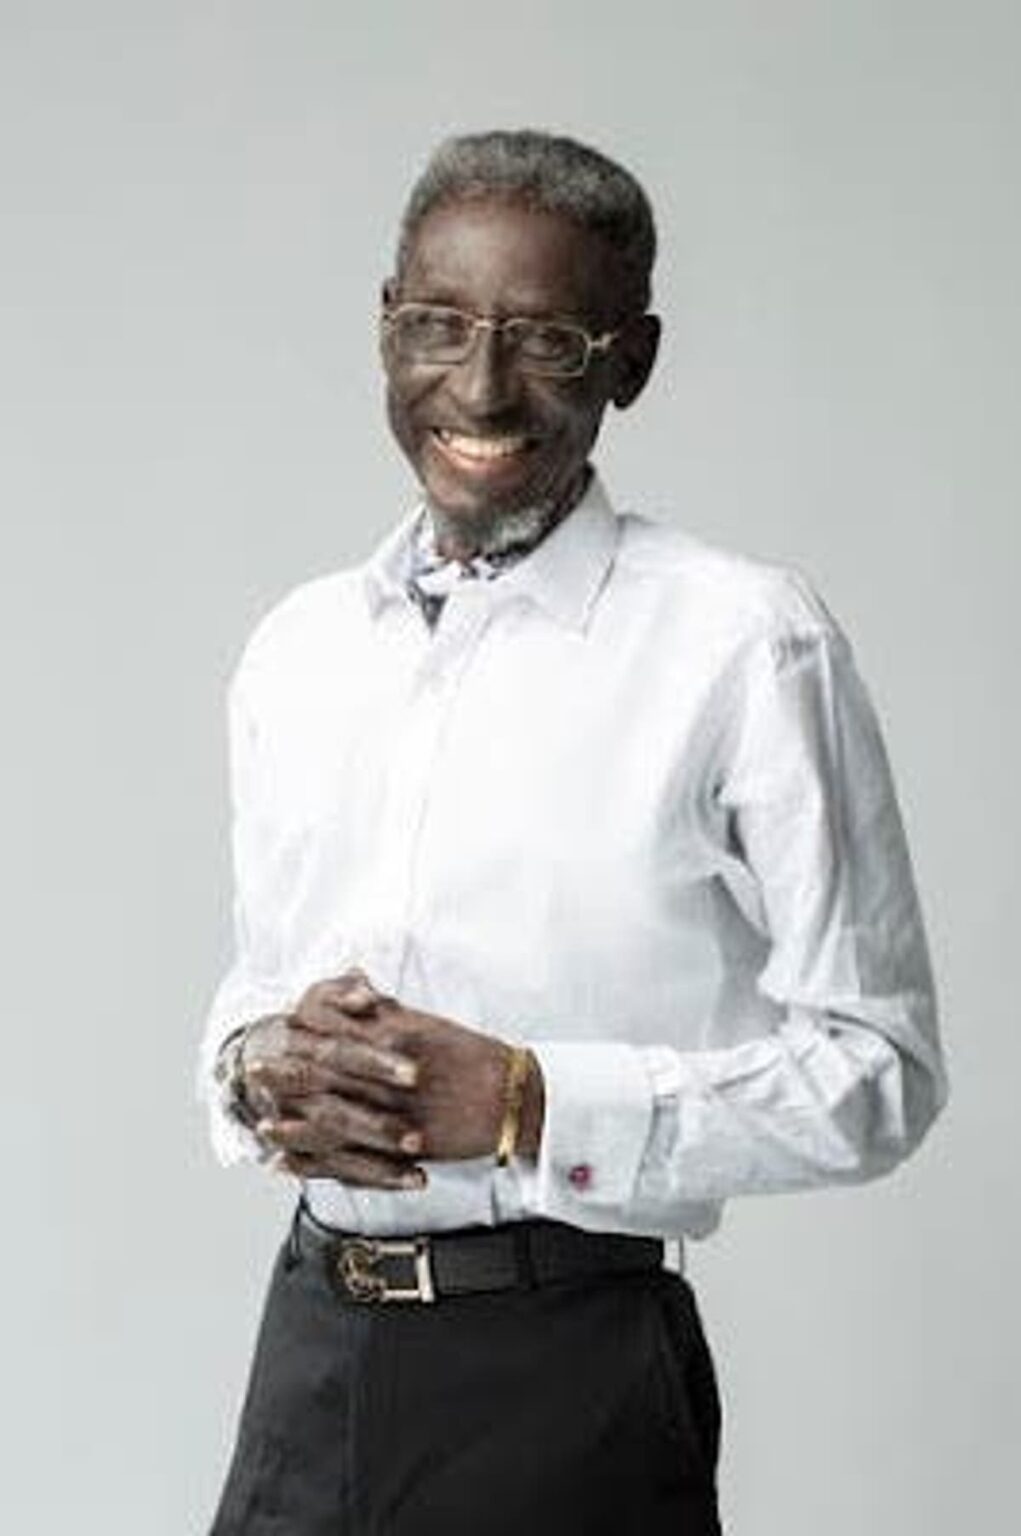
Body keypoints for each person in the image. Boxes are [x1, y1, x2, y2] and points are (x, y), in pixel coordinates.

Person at [197, 128, 947, 1535]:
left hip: (567, 1366)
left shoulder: (743, 645)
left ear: (630, 360)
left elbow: (879, 1073)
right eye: (439, 324)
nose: (478, 387)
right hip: (310, 1345)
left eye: (546, 340)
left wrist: (532, 1102)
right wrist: (255, 1068)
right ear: (387, 327)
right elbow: (255, 984)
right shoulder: (299, 649)